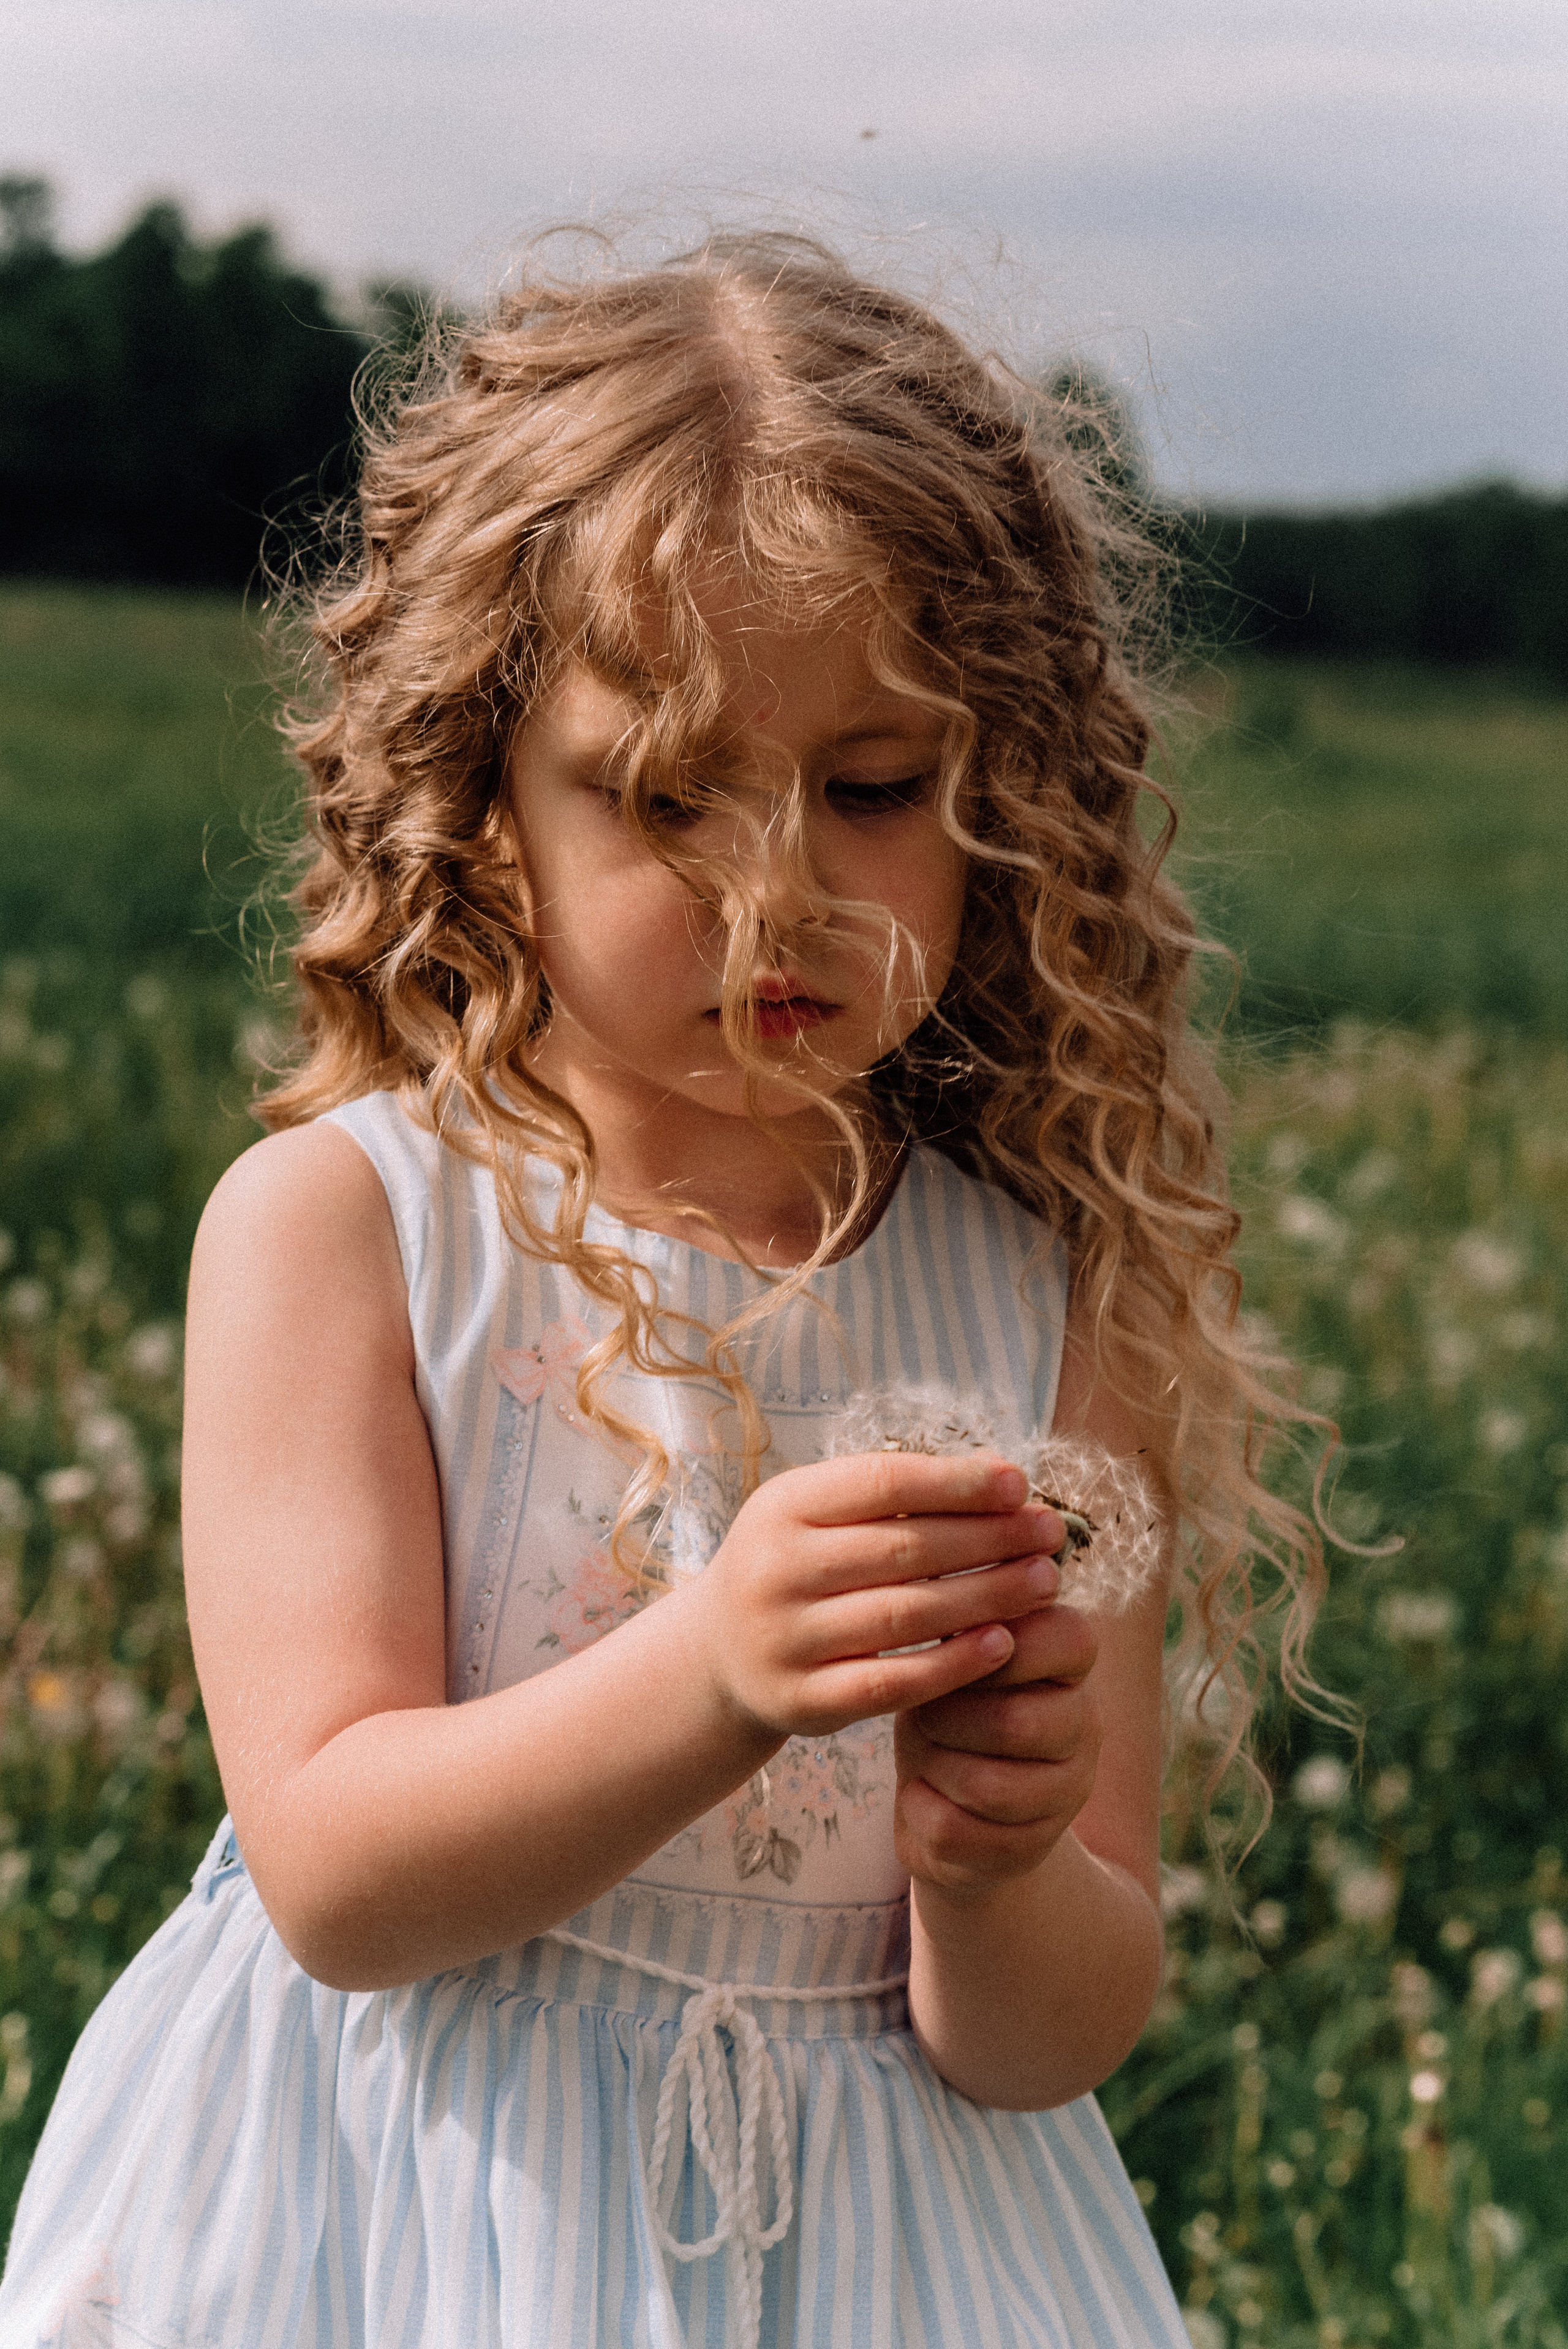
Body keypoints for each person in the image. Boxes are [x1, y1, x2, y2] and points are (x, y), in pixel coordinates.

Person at [0, 237, 1322, 2349]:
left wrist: (994, 1869)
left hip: (883, 2258)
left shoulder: (1047, 1298)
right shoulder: (351, 1228)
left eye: (878, 789)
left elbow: (1053, 2032)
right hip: (406, 2222)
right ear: (482, 795)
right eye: (661, 793)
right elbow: (337, 1873)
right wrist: (716, 1666)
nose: (776, 888)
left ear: (1008, 804)